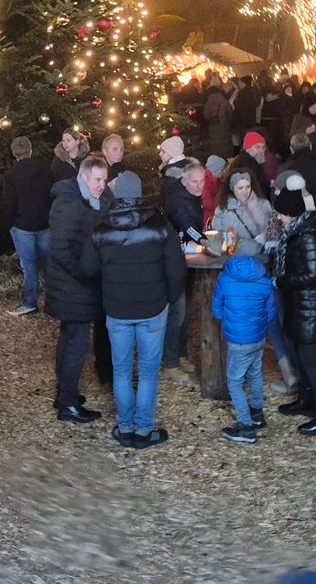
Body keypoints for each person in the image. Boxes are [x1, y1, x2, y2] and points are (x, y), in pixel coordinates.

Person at [79, 172, 185, 449]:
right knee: (149, 372)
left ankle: (125, 426)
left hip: (117, 308)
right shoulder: (160, 225)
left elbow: (88, 268)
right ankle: (144, 430)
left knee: (122, 370)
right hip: (153, 307)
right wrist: (169, 299)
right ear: (140, 194)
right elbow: (176, 269)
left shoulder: (102, 228)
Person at [46, 156, 113, 422]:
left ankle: (65, 393)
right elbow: (61, 249)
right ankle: (69, 404)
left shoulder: (94, 199)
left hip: (78, 286)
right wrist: (86, 273)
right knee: (76, 344)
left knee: (69, 339)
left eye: (105, 180)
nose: (102, 185)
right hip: (74, 286)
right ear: (84, 177)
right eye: (97, 180)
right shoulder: (68, 204)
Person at [275, 173, 316, 436]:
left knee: (310, 360)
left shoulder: (308, 236)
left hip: (311, 306)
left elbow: (312, 274)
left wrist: (282, 280)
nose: (278, 218)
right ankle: (307, 401)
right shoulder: (298, 230)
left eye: (281, 214)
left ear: (291, 213)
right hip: (302, 305)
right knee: (301, 356)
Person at [213, 255, 278, 445]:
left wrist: (229, 321)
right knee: (255, 373)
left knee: (234, 381)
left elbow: (217, 309)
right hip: (258, 337)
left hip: (237, 340)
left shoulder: (225, 280)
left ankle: (246, 427)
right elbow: (271, 313)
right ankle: (257, 413)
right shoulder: (265, 281)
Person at [162, 159, 206, 383]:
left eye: (202, 181)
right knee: (177, 311)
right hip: (174, 261)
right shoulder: (177, 199)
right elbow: (186, 223)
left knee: (187, 310)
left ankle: (180, 353)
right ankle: (170, 362)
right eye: (195, 182)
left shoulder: (193, 196)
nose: (199, 186)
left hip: (189, 259)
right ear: (184, 181)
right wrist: (206, 241)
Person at [1, 136, 53, 316]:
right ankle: (54, 302)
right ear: (30, 150)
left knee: (29, 267)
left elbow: (9, 203)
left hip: (23, 226)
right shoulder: (45, 171)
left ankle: (30, 302)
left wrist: (10, 224)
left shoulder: (11, 175)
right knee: (48, 265)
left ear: (14, 153)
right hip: (45, 224)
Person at [211, 170, 272, 257]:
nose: (245, 191)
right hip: (232, 258)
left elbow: (271, 229)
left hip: (259, 258)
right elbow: (216, 234)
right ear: (232, 189)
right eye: (240, 188)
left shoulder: (263, 204)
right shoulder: (223, 209)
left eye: (248, 187)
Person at [228, 132, 271, 198]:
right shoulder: (244, 165)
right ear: (248, 149)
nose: (261, 151)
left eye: (263, 147)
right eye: (257, 147)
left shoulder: (254, 162)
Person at [203, 81, 234, 159]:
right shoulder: (225, 101)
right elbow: (230, 115)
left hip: (213, 128)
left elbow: (205, 115)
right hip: (225, 128)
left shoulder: (209, 102)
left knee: (215, 146)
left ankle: (216, 160)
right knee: (225, 145)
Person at [158, 135, 190, 202]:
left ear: (172, 153)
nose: (160, 154)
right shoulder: (182, 168)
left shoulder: (173, 174)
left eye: (163, 151)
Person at [202, 155, 227, 225]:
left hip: (217, 215)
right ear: (217, 170)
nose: (224, 172)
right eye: (223, 170)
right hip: (209, 219)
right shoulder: (205, 182)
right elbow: (209, 205)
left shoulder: (218, 179)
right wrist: (222, 190)